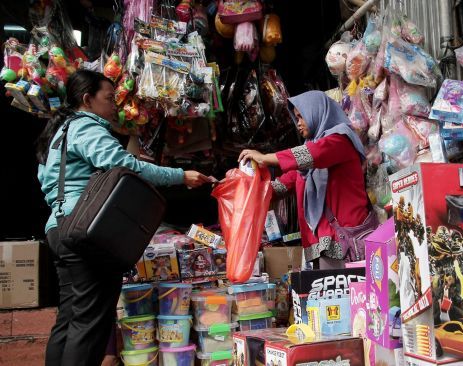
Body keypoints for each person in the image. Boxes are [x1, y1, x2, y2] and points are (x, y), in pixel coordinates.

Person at [36, 70, 212, 366]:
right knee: (89, 323)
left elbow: (46, 182)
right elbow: (123, 166)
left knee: (68, 319)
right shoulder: (87, 127)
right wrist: (180, 176)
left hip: (58, 230)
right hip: (85, 232)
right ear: (87, 99)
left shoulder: (57, 134)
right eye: (108, 98)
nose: (115, 105)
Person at [239, 90, 373, 268]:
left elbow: (312, 155)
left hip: (345, 238)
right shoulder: (307, 159)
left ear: (316, 111)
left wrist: (265, 158)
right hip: (320, 242)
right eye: (296, 118)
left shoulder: (340, 140)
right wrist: (244, 188)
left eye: (301, 117)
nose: (298, 124)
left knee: (347, 293)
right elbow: (281, 186)